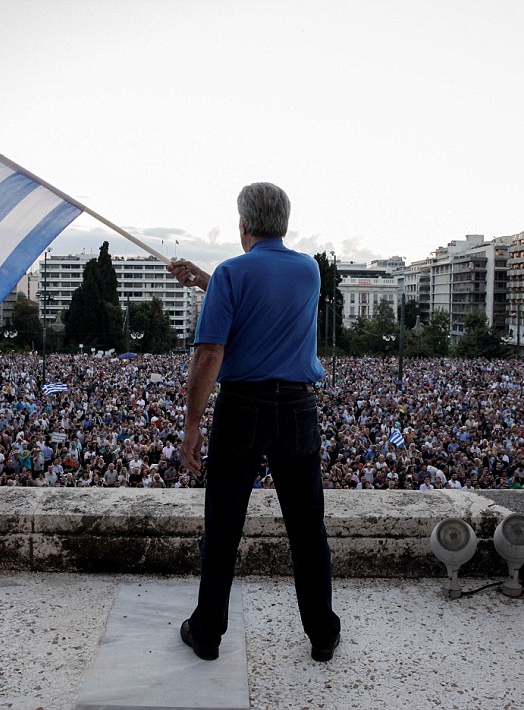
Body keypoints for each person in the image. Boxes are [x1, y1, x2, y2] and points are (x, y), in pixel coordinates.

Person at [169, 182, 341, 663]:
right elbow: (267, 300)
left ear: (242, 224)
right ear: (283, 222)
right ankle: (322, 634)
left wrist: (191, 424)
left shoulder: (232, 273)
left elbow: (210, 352)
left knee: (223, 527)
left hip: (242, 406)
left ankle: (206, 633)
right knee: (308, 530)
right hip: (298, 408)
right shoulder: (309, 271)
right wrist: (209, 280)